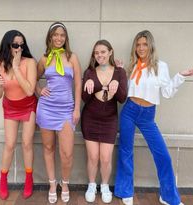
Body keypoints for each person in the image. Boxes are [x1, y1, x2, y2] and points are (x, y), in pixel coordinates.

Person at [114, 30, 193, 205]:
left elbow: (167, 92)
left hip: (147, 115)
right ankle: (125, 191)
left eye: (144, 44)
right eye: (138, 44)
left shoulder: (160, 66)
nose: (141, 48)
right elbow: (125, 90)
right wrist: (120, 71)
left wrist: (181, 76)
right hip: (129, 110)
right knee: (126, 150)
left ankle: (168, 196)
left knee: (162, 155)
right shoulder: (131, 66)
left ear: (151, 45)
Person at [36, 22, 82, 203]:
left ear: (66, 38)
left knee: (67, 153)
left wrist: (77, 108)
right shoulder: (44, 58)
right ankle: (52, 184)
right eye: (55, 34)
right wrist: (39, 91)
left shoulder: (72, 57)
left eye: (62, 35)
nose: (59, 38)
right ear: (50, 37)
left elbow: (78, 83)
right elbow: (34, 79)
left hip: (66, 110)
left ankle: (65, 183)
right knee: (48, 148)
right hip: (47, 108)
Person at [0, 30, 37, 200]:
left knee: (26, 143)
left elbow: (30, 91)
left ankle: (29, 180)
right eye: (15, 45)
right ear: (7, 45)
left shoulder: (30, 62)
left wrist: (16, 68)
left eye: (21, 45)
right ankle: (3, 180)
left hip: (28, 105)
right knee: (9, 144)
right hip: (10, 106)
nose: (19, 48)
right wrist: (0, 86)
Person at [81, 39, 127, 203]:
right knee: (93, 157)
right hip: (90, 119)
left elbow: (122, 98)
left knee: (106, 158)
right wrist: (91, 84)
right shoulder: (89, 72)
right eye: (96, 53)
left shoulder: (120, 72)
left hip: (109, 120)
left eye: (103, 52)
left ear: (110, 52)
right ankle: (92, 185)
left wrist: (116, 83)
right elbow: (84, 98)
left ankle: (105, 186)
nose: (100, 55)